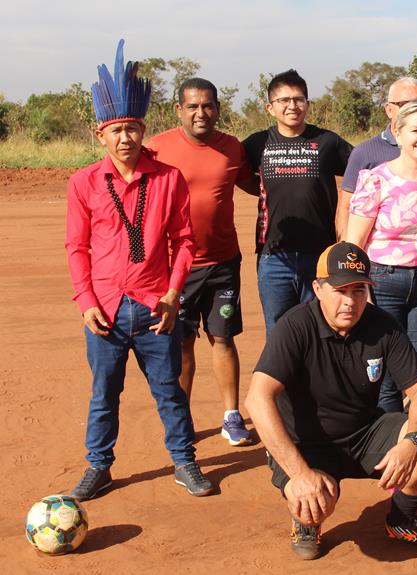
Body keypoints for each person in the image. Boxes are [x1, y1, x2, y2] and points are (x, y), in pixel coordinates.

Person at [65, 40, 212, 501]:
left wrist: (172, 295)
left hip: (155, 307)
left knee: (169, 390)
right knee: (104, 394)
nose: (125, 138)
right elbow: (77, 246)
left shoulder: (168, 179)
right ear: (100, 135)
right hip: (105, 310)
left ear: (142, 129)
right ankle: (98, 465)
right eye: (116, 131)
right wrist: (86, 302)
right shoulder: (82, 183)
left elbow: (184, 242)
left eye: (132, 128)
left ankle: (184, 461)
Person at [244, 242, 417, 560]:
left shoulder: (382, 325)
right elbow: (257, 399)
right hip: (307, 445)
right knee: (316, 501)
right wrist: (300, 474)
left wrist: (410, 444)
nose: (350, 301)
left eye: (358, 290)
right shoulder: (295, 326)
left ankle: (401, 519)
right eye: (340, 290)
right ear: (317, 288)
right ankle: (306, 524)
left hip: (363, 434)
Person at [339, 77, 417, 432]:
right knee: (386, 376)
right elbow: (353, 246)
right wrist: (358, 293)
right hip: (382, 282)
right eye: (415, 130)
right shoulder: (375, 180)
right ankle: (390, 447)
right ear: (397, 132)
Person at [147, 77, 258, 447]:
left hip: (223, 261)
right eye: (192, 106)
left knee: (223, 339)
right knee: (181, 344)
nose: (201, 113)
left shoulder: (232, 149)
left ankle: (231, 416)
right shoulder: (157, 149)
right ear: (178, 109)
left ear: (218, 109)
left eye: (208, 105)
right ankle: (182, 418)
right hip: (175, 268)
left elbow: (257, 185)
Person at [242, 70, 353, 336]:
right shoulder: (257, 144)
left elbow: (364, 170)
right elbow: (229, 172)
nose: (292, 106)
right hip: (273, 257)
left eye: (299, 99)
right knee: (279, 332)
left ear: (307, 103)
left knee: (320, 328)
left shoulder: (327, 141)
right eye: (284, 100)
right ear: (270, 107)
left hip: (319, 254)